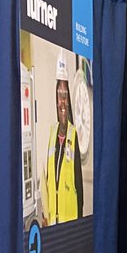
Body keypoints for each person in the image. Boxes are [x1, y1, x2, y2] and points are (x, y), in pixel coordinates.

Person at [43, 58, 84, 225]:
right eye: (59, 95)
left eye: (65, 95)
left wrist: (80, 221)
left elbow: (79, 184)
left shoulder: (74, 135)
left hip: (70, 222)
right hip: (53, 221)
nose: (62, 101)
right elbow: (48, 179)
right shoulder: (52, 133)